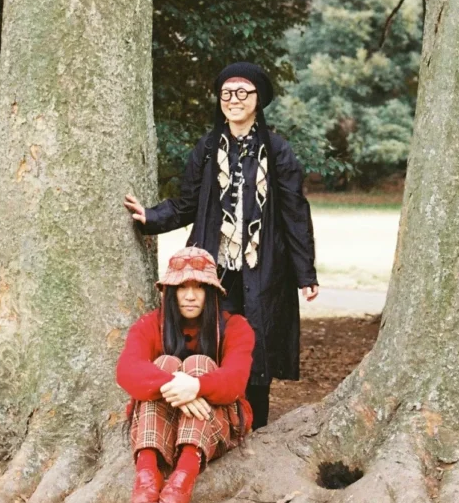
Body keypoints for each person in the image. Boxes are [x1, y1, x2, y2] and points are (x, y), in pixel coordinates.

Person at [124, 60, 318, 430]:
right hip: (214, 271)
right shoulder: (208, 148)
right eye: (227, 93)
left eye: (243, 92)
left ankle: (253, 428)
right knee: (211, 344)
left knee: (257, 353)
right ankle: (212, 427)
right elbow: (187, 203)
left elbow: (295, 212)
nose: (234, 99)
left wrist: (305, 273)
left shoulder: (278, 150)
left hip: (265, 269)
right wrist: (151, 217)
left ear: (258, 99)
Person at [116, 246, 254, 503]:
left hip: (216, 426)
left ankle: (184, 475)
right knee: (165, 364)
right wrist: (179, 388)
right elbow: (127, 369)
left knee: (198, 364)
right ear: (170, 292)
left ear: (211, 292)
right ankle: (147, 471)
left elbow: (236, 378)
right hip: (160, 425)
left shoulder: (236, 327)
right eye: (182, 287)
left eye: (199, 287)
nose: (190, 296)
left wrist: (197, 386)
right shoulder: (150, 324)